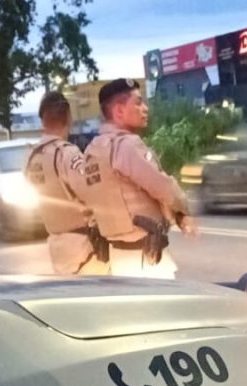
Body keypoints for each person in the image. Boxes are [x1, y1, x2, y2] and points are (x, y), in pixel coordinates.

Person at [82, 78, 197, 279]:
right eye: (138, 102)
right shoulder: (126, 146)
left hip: (118, 257)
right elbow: (163, 188)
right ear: (119, 111)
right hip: (146, 260)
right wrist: (183, 211)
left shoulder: (93, 151)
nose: (145, 109)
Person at [24, 91, 110, 275]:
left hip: (57, 246)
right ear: (69, 118)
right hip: (84, 248)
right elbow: (91, 191)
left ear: (42, 121)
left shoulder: (32, 157)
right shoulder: (67, 154)